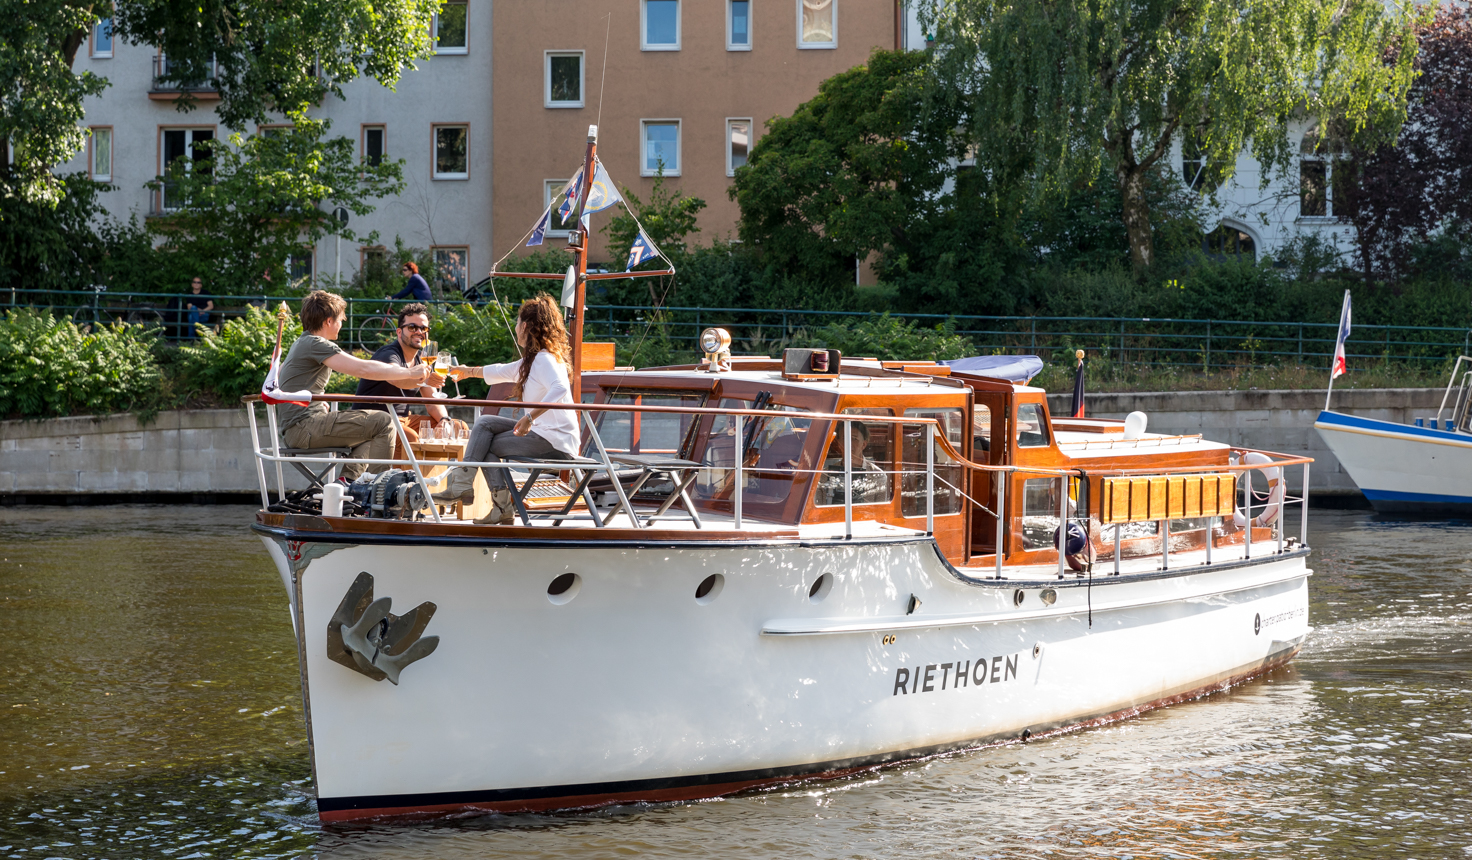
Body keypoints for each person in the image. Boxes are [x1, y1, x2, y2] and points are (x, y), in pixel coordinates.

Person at [437, 294, 577, 523]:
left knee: (484, 444)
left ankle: (495, 504)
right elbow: (500, 370)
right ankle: (466, 486)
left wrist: (529, 418)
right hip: (546, 434)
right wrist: (467, 371)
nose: (515, 327)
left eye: (517, 322)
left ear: (526, 326)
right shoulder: (533, 362)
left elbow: (560, 388)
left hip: (554, 440)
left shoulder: (544, 359)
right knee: (484, 424)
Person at [277, 290, 444, 481]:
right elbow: (363, 368)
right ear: (329, 321)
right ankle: (379, 489)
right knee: (384, 422)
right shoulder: (317, 344)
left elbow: (281, 377)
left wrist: (313, 400)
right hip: (304, 427)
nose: (342, 324)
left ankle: (347, 482)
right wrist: (410, 373)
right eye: (340, 320)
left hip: (300, 427)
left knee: (372, 430)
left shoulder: (302, 342)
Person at [351, 302, 449, 423]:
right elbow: (396, 379)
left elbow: (432, 402)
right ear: (399, 332)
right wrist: (425, 380)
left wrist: (444, 419)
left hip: (402, 419)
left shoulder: (422, 359)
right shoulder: (389, 354)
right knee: (412, 434)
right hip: (373, 421)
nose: (419, 332)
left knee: (457, 426)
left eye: (424, 328)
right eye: (412, 327)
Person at [816, 421, 890, 506]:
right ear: (839, 443)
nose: (849, 443)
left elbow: (880, 511)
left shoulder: (878, 476)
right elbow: (817, 509)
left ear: (864, 444)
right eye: (845, 438)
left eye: (854, 438)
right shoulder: (824, 476)